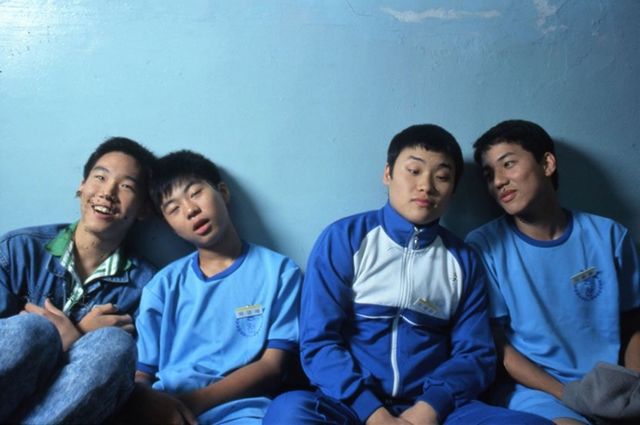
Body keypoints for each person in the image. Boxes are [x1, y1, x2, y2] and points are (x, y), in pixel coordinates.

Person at [264, 124, 551, 425]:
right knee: (288, 412)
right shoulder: (344, 238)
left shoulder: (463, 259)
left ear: (453, 189)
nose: (426, 186)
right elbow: (319, 342)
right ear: (388, 174)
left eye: (442, 177)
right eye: (414, 171)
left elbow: (475, 355)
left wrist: (428, 409)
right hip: (350, 407)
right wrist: (373, 413)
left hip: (435, 411)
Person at [465, 119, 640, 424]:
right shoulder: (485, 246)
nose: (499, 181)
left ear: (547, 164)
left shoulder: (609, 236)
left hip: (612, 387)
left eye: (508, 164)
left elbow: (634, 322)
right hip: (538, 392)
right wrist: (568, 394)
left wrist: (632, 387)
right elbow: (498, 345)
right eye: (489, 174)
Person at [124, 150, 303, 424]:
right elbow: (142, 374)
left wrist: (191, 404)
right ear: (170, 227)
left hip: (243, 412)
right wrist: (155, 406)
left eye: (195, 193)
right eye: (173, 208)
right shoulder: (162, 287)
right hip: (165, 409)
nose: (190, 210)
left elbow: (273, 365)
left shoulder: (279, 272)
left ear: (223, 192)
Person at [0, 137, 157, 424]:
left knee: (114, 345)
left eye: (126, 186)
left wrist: (76, 339)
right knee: (33, 329)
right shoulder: (17, 249)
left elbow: (128, 377)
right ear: (81, 186)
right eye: (100, 177)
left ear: (144, 209)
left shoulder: (148, 288)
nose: (107, 192)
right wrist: (76, 332)